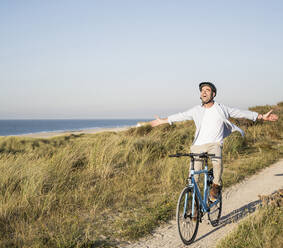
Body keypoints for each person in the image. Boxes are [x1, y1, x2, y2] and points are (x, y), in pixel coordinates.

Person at [150, 82, 278, 201]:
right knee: (193, 178)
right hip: (198, 146)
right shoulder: (196, 110)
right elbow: (180, 116)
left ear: (213, 94)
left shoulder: (221, 109)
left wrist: (261, 117)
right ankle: (196, 206)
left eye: (207, 90)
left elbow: (240, 113)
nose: (204, 92)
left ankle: (216, 184)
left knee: (217, 162)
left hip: (214, 144)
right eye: (202, 90)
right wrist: (163, 121)